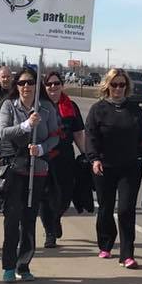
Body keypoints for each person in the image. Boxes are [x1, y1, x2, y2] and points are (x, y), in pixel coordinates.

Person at [84, 67, 142, 269]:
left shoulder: (135, 110)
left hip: (130, 167)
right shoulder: (98, 109)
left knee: (126, 210)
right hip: (104, 167)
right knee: (106, 209)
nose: (118, 88)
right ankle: (106, 243)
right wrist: (94, 159)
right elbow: (90, 138)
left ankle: (127, 254)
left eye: (122, 85)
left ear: (127, 87)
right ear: (107, 86)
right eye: (114, 84)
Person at [0, 68, 59, 283]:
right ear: (17, 85)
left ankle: (23, 264)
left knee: (29, 218)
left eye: (30, 82)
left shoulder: (47, 108)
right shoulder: (8, 106)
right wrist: (25, 125)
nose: (26, 87)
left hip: (37, 169)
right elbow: (3, 132)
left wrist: (42, 149)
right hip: (15, 168)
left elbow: (54, 137)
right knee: (12, 218)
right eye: (22, 83)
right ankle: (8, 265)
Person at [39, 71, 86, 248]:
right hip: (44, 156)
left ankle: (56, 216)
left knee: (65, 195)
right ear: (44, 86)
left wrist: (86, 154)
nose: (53, 87)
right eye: (49, 84)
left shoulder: (71, 106)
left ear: (62, 85)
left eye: (56, 83)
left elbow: (78, 133)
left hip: (65, 157)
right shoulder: (39, 106)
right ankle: (49, 232)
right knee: (45, 196)